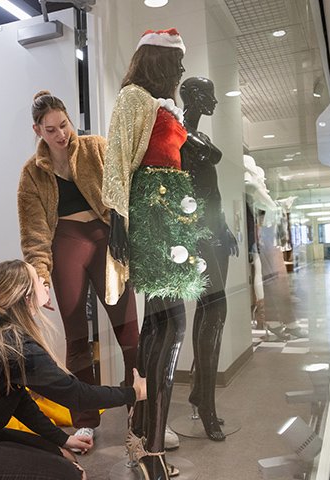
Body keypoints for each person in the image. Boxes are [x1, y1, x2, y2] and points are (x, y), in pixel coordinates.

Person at [0, 259, 147, 480]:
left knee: (66, 457)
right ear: (27, 297)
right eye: (38, 278)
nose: (44, 280)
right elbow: (77, 395)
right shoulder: (15, 347)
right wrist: (133, 393)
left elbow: (19, 402)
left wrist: (62, 440)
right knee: (72, 475)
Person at [102, 29, 206, 479]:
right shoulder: (134, 98)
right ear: (157, 61)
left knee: (158, 328)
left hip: (168, 215)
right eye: (176, 62)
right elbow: (118, 159)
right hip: (152, 216)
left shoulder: (158, 104)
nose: (182, 71)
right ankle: (151, 452)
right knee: (171, 325)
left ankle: (143, 442)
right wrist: (118, 221)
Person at [17, 91, 140, 446]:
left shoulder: (96, 148)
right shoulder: (32, 173)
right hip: (66, 243)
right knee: (76, 335)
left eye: (64, 125)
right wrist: (38, 277)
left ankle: (141, 407)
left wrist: (127, 231)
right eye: (51, 129)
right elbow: (34, 233)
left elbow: (123, 189)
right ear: (38, 130)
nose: (61, 135)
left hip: (106, 239)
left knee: (127, 327)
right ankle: (85, 419)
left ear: (71, 120)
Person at [179, 76, 238, 441]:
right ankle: (206, 406)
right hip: (198, 235)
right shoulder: (183, 135)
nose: (214, 101)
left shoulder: (196, 135)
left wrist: (225, 227)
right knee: (215, 310)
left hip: (216, 232)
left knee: (210, 310)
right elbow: (190, 193)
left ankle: (201, 393)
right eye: (208, 94)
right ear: (194, 97)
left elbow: (211, 192)